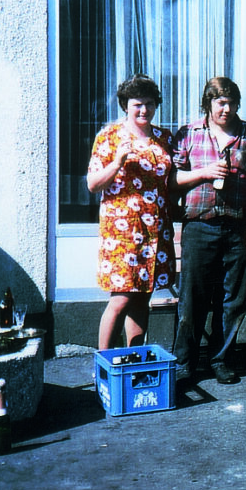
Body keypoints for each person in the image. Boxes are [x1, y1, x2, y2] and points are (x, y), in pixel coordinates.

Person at [173, 77, 246, 384]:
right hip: (199, 226)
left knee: (233, 301)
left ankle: (221, 360)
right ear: (208, 104)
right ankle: (184, 363)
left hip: (237, 227)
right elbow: (172, 178)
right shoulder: (188, 133)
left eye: (231, 103)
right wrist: (204, 173)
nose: (226, 109)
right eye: (220, 103)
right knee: (192, 299)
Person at [87, 74, 176, 350]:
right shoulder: (109, 137)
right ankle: (103, 362)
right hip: (122, 233)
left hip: (155, 231)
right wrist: (116, 163)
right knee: (121, 298)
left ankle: (133, 360)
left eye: (149, 103)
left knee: (141, 297)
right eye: (137, 104)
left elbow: (170, 182)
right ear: (126, 105)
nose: (144, 110)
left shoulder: (163, 138)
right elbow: (93, 184)